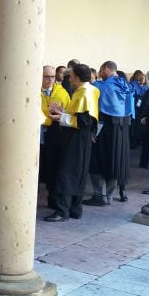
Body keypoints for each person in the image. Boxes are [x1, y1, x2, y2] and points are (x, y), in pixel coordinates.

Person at [45, 64, 100, 222]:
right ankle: (75, 209)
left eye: (71, 76)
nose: (69, 79)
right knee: (78, 173)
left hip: (75, 139)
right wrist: (62, 112)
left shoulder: (83, 93)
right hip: (81, 139)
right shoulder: (90, 90)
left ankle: (62, 211)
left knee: (66, 172)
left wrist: (59, 118)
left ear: (76, 77)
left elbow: (84, 121)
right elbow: (80, 115)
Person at [84, 61, 133, 206]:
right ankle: (109, 196)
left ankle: (99, 195)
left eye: (100, 70)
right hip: (122, 129)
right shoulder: (126, 86)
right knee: (115, 162)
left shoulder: (102, 87)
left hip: (105, 128)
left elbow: (97, 111)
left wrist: (93, 132)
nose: (99, 73)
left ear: (106, 69)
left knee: (97, 161)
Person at [40, 65, 71, 209]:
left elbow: (69, 112)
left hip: (55, 131)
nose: (50, 80)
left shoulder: (62, 91)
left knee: (53, 166)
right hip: (37, 130)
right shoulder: (33, 90)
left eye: (52, 76)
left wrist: (62, 112)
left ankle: (52, 198)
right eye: (46, 77)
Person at [128, 69, 148, 149]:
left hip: (134, 108)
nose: (142, 80)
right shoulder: (140, 86)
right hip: (140, 108)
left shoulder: (131, 84)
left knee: (134, 125)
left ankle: (133, 141)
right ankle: (135, 141)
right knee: (137, 125)